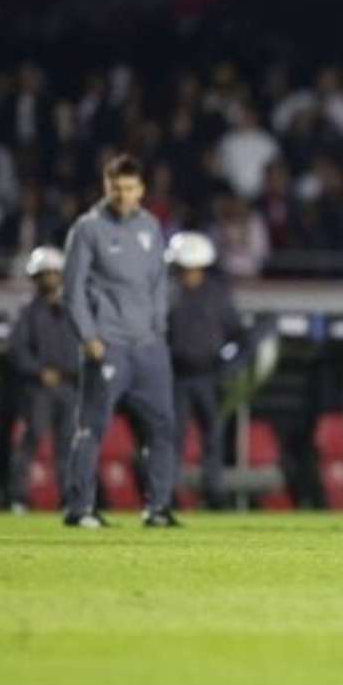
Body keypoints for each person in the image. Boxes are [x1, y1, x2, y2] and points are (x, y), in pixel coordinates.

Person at [62, 154, 178, 528]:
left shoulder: (151, 227)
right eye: (116, 188)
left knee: (162, 428)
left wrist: (159, 328)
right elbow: (72, 292)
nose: (122, 195)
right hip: (108, 343)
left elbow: (158, 283)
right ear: (105, 187)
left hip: (149, 346)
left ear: (141, 190)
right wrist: (89, 337)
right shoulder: (88, 229)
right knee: (92, 427)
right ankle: (80, 508)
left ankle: (157, 508)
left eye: (129, 188)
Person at [165, 231, 242, 510]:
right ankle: (167, 493)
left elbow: (236, 332)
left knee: (214, 434)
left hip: (210, 375)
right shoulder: (167, 294)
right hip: (177, 375)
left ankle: (213, 492)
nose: (187, 274)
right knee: (172, 436)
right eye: (183, 268)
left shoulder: (217, 296)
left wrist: (229, 364)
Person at [8, 246, 78, 513]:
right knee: (32, 440)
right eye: (44, 273)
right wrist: (39, 371)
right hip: (39, 388)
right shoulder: (26, 311)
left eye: (54, 273)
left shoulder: (73, 309)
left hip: (69, 385)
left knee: (67, 444)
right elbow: (18, 349)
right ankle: (18, 498)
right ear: (35, 278)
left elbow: (82, 346)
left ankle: (68, 499)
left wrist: (75, 372)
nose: (50, 278)